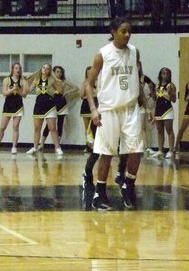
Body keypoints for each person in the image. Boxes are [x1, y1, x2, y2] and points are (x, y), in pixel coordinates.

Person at [83, 17, 150, 210]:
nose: (127, 34)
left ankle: (128, 185)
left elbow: (137, 80)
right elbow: (88, 84)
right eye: (123, 31)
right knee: (106, 153)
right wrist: (94, 110)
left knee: (137, 149)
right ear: (113, 32)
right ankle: (100, 193)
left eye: (129, 31)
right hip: (109, 110)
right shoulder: (102, 55)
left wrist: (146, 105)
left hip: (130, 108)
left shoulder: (134, 52)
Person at [26, 63, 63, 156]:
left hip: (50, 106)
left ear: (50, 71)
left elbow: (61, 91)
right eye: (43, 68)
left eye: (47, 68)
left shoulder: (52, 80)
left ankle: (57, 147)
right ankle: (34, 147)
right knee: (37, 128)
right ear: (41, 69)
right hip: (39, 106)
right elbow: (28, 91)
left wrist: (55, 78)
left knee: (53, 128)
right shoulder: (36, 79)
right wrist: (26, 81)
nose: (45, 70)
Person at [0, 61, 27, 154]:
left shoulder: (23, 81)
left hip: (18, 106)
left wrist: (18, 90)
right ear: (12, 70)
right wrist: (12, 89)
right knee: (2, 127)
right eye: (16, 68)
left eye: (19, 68)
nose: (18, 70)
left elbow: (24, 95)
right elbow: (4, 93)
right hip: (8, 106)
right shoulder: (6, 80)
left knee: (15, 126)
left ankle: (14, 147)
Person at [41, 65, 79, 147]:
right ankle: (41, 144)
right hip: (52, 103)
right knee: (49, 125)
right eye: (57, 72)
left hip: (62, 104)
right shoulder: (50, 81)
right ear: (53, 73)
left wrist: (66, 93)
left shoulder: (64, 81)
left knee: (60, 124)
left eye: (60, 72)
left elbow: (76, 88)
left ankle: (57, 145)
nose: (59, 73)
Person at [152, 67, 177, 159]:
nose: (165, 75)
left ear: (169, 75)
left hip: (167, 110)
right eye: (163, 73)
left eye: (167, 73)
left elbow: (174, 100)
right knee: (160, 131)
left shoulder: (171, 85)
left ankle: (171, 150)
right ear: (160, 75)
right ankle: (160, 150)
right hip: (158, 110)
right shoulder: (157, 85)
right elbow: (156, 99)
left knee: (169, 130)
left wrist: (170, 94)